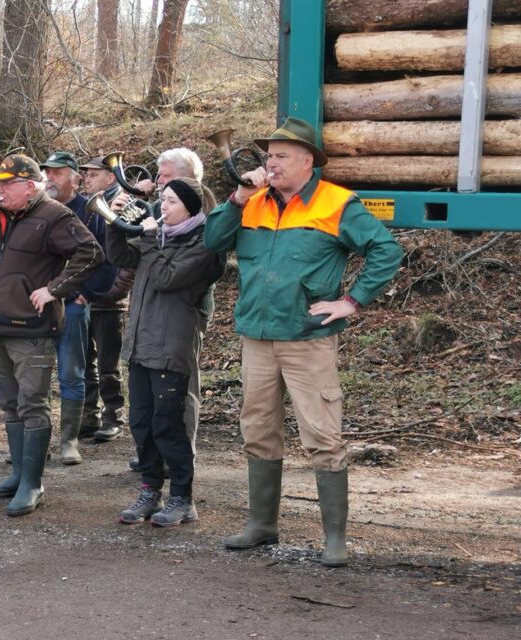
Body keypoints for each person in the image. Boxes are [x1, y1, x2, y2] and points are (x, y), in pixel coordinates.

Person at [204, 117, 404, 566]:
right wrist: (239, 197)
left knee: (321, 435)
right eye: (268, 155)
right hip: (256, 336)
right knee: (257, 429)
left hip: (307, 339)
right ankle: (261, 524)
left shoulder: (336, 202)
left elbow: (386, 251)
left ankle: (335, 538)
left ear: (307, 161)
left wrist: (351, 302)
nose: (270, 163)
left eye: (280, 156)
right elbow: (212, 241)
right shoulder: (251, 201)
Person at [0, 154, 102, 516]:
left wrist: (55, 289)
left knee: (32, 404)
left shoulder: (54, 215)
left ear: (29, 185)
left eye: (7, 184)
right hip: (0, 325)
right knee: (10, 404)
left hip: (33, 328)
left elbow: (89, 252)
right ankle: (19, 474)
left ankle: (33, 483)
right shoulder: (0, 215)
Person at [108, 177, 223, 526]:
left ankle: (182, 499)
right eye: (163, 199)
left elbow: (165, 278)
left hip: (172, 346)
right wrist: (117, 223)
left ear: (190, 206)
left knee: (168, 427)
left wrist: (145, 237)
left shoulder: (205, 244)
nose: (162, 207)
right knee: (141, 424)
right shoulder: (156, 237)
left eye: (171, 201)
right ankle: (149, 491)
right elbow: (119, 255)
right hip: (141, 346)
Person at [122, 146, 217, 468]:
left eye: (166, 176)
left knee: (180, 385)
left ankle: (180, 454)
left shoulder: (203, 220)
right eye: (159, 175)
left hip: (186, 310)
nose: (158, 182)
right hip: (152, 309)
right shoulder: (162, 210)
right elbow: (130, 255)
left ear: (189, 180)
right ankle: (152, 455)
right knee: (147, 392)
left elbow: (170, 273)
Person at [39, 150, 114, 466]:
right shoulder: (36, 209)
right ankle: (34, 442)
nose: (51, 179)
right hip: (37, 305)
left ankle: (69, 441)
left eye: (57, 173)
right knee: (35, 375)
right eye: (47, 173)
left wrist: (86, 294)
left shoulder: (91, 210)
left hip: (71, 304)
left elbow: (108, 257)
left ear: (74, 178)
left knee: (72, 371)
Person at [77, 154, 136, 444]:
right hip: (85, 296)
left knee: (108, 363)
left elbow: (130, 257)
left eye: (92, 174)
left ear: (111, 177)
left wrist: (115, 292)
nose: (86, 178)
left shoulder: (125, 204)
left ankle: (114, 416)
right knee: (85, 360)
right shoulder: (86, 206)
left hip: (109, 298)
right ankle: (90, 415)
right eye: (85, 174)